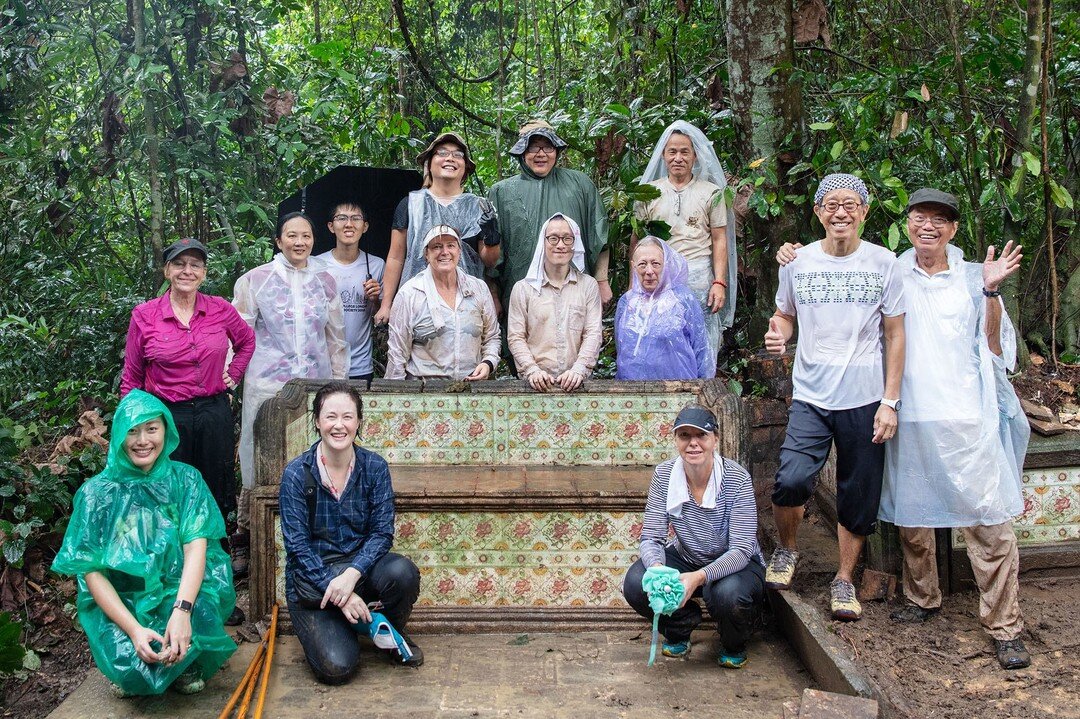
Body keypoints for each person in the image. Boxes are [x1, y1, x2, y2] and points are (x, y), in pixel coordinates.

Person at [762, 173, 905, 621]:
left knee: (858, 492)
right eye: (831, 204)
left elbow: (896, 335)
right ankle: (787, 550)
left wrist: (890, 401)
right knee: (791, 478)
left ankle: (844, 579)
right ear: (819, 213)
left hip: (865, 397)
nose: (840, 212)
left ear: (864, 211)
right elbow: (784, 314)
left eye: (850, 204)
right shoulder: (797, 262)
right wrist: (778, 335)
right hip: (811, 394)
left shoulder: (884, 263)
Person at [52, 390, 236, 696]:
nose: (143, 441)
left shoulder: (185, 480)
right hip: (123, 601)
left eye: (152, 429)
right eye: (132, 431)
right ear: (119, 436)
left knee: (200, 612)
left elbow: (196, 550)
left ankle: (184, 660)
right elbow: (92, 572)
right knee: (133, 674)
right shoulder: (97, 494)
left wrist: (182, 611)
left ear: (167, 430)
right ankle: (134, 658)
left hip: (177, 592)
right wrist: (134, 630)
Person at [280, 382, 422, 684]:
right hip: (313, 582)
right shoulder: (296, 473)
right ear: (317, 421)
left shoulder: (374, 467)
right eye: (330, 417)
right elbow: (297, 548)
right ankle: (351, 621)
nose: (339, 425)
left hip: (358, 570)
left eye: (347, 417)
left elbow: (382, 533)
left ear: (359, 421)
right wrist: (342, 596)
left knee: (402, 572)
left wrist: (352, 575)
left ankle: (385, 630)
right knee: (337, 668)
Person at [231, 212, 348, 576]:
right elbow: (237, 335)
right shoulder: (256, 280)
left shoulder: (326, 281)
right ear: (278, 241)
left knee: (313, 459)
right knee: (259, 459)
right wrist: (228, 379)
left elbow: (336, 338)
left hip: (316, 386)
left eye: (306, 236)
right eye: (291, 236)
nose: (300, 242)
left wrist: (340, 387)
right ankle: (248, 540)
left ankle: (311, 540)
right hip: (267, 387)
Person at [121, 238, 255, 539]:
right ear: (167, 270)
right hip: (167, 415)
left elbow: (246, 341)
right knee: (167, 487)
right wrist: (129, 425)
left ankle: (214, 555)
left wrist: (233, 374)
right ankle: (173, 559)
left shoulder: (219, 309)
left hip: (213, 410)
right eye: (179, 264)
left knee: (215, 486)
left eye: (195, 265)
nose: (187, 271)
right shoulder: (145, 315)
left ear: (204, 273)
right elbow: (132, 375)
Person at [622, 405, 766, 668]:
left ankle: (733, 641)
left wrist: (699, 577)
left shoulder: (737, 479)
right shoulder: (664, 475)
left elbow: (742, 549)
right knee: (636, 582)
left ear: (715, 440)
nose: (693, 443)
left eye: (701, 435)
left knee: (727, 594)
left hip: (735, 563)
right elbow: (652, 536)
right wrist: (657, 571)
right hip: (688, 554)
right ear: (676, 441)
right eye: (685, 436)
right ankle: (681, 625)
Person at [633, 121, 736, 367]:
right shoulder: (648, 192)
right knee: (659, 337)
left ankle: (701, 390)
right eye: (672, 152)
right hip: (656, 275)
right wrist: (634, 286)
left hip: (699, 274)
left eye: (684, 152)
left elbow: (719, 238)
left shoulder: (711, 192)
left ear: (695, 156)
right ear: (663, 155)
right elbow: (637, 240)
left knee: (702, 336)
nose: (678, 158)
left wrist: (719, 282)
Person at [489, 120, 613, 318]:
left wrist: (601, 281)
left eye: (547, 147)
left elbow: (600, 236)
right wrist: (493, 295)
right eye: (533, 147)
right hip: (520, 296)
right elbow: (493, 254)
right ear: (522, 152)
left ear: (556, 150)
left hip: (574, 292)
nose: (541, 154)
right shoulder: (502, 192)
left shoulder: (580, 184)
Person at [374, 132, 499, 325]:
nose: (450, 158)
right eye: (442, 153)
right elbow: (395, 257)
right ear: (429, 164)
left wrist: (492, 238)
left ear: (465, 168)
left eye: (458, 155)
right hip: (417, 302)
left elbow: (490, 261)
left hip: (467, 303)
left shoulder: (480, 207)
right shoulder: (410, 204)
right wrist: (386, 304)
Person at [386, 225, 500, 381]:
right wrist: (396, 394)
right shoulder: (410, 294)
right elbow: (397, 353)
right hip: (424, 393)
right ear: (426, 253)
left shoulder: (478, 289)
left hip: (471, 390)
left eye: (451, 246)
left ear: (459, 251)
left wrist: (488, 363)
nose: (444, 252)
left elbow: (492, 337)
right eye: (437, 247)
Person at [507, 213, 603, 391]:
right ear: (543, 242)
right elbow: (516, 337)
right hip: (534, 386)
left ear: (575, 244)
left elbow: (593, 333)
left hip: (576, 386)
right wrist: (532, 370)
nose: (560, 245)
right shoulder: (523, 289)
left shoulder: (588, 286)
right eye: (553, 238)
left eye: (567, 239)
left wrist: (578, 370)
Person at [614, 236, 714, 380]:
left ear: (666, 265)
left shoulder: (683, 299)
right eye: (642, 264)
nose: (649, 271)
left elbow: (701, 348)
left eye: (655, 263)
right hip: (633, 394)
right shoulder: (627, 302)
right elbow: (621, 348)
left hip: (680, 391)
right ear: (633, 266)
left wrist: (704, 386)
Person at [316, 202, 386, 383]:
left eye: (356, 218)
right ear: (331, 226)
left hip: (361, 364)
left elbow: (382, 318)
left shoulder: (377, 265)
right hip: (323, 362)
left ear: (365, 226)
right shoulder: (316, 265)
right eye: (342, 218)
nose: (349, 224)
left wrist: (375, 299)